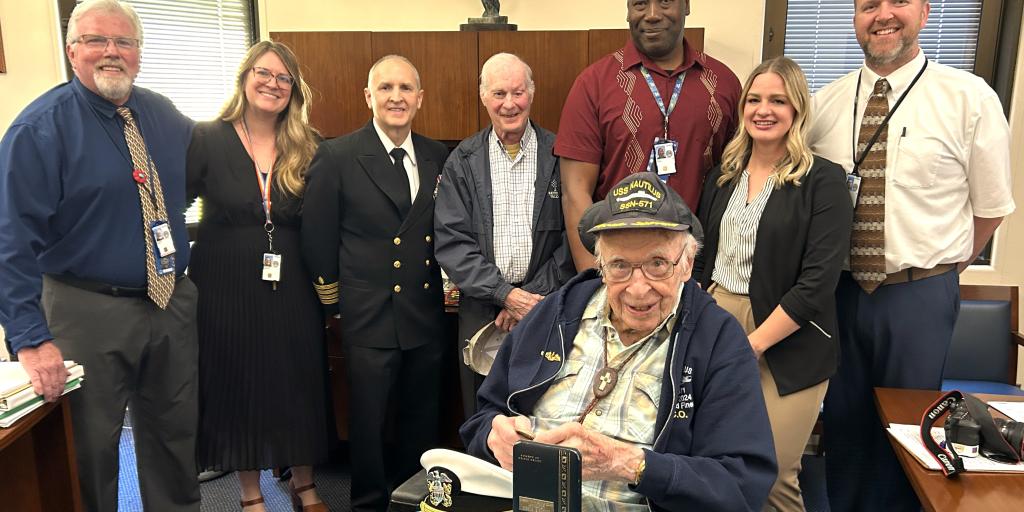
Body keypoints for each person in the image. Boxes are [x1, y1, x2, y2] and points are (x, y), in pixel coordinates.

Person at [805, 1, 1016, 510]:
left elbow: (991, 209)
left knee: (910, 427)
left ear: (923, 10)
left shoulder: (968, 98)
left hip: (920, 293)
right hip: (840, 291)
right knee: (844, 421)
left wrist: (938, 271)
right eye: (867, 5)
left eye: (897, 1)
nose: (882, 15)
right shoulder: (824, 104)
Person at [461, 172, 777, 511]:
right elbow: (482, 419)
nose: (638, 289)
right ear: (601, 266)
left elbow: (742, 486)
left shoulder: (718, 341)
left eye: (657, 264)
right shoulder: (555, 312)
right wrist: (494, 435)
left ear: (686, 265)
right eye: (620, 266)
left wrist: (632, 465)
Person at [0, 1, 198, 510]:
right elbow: (10, 241)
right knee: (88, 448)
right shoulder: (39, 130)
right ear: (72, 52)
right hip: (85, 310)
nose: (111, 51)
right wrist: (29, 338)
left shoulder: (165, 116)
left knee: (175, 439)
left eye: (124, 41)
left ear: (138, 52)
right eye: (96, 40)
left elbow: (207, 178)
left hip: (168, 303)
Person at [693, 57, 853, 512]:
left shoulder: (824, 180)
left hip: (792, 336)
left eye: (778, 100)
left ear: (798, 110)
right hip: (721, 322)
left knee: (773, 473)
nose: (764, 110)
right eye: (755, 99)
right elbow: (704, 251)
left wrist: (753, 345)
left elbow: (817, 283)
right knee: (717, 462)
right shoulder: (725, 174)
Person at [186, 41, 330, 512]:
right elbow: (169, 207)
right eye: (263, 73)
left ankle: (304, 483)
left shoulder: (310, 145)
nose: (272, 84)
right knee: (238, 379)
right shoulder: (206, 138)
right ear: (245, 77)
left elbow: (326, 218)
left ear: (294, 90)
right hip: (224, 281)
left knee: (298, 377)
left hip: (292, 281)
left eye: (283, 78)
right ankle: (251, 495)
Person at [302, 55, 448, 512]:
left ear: (420, 98)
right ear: (369, 97)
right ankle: (367, 504)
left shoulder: (435, 154)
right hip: (369, 314)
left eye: (406, 88)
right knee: (366, 427)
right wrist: (334, 305)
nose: (396, 97)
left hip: (424, 314)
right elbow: (319, 236)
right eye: (386, 88)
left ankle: (411, 503)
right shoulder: (338, 155)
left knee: (421, 423)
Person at [434, 53, 574, 419]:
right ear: (483, 97)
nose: (509, 104)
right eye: (499, 93)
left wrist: (528, 299)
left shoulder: (560, 155)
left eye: (517, 92)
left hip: (546, 306)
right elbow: (452, 241)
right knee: (484, 414)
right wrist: (505, 295)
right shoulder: (461, 161)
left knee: (542, 411)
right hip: (481, 310)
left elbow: (573, 237)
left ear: (532, 93)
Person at [556, 0, 741, 271]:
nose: (652, 15)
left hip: (698, 265)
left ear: (686, 6)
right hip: (619, 266)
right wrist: (596, 282)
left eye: (665, 2)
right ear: (628, 10)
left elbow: (738, 184)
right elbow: (575, 191)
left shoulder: (723, 84)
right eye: (640, 3)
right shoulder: (593, 83)